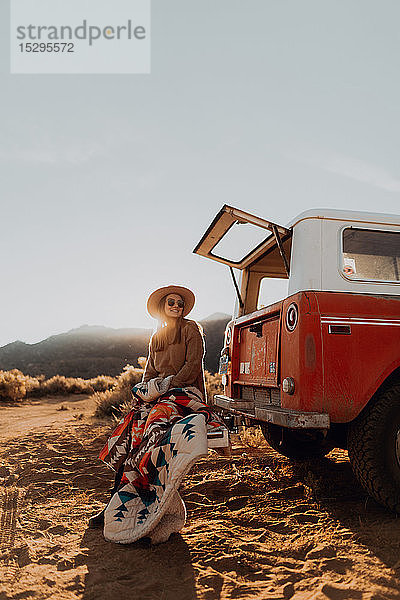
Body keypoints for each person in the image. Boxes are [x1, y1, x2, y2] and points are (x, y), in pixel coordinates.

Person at [89, 285, 222, 543]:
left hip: (184, 393)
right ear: (163, 306)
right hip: (159, 394)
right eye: (171, 302)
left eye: (180, 303)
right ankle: (114, 502)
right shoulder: (156, 337)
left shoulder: (191, 329)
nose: (176, 306)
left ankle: (152, 501)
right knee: (130, 430)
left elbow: (193, 366)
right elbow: (149, 372)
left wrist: (166, 386)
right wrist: (147, 389)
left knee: (155, 423)